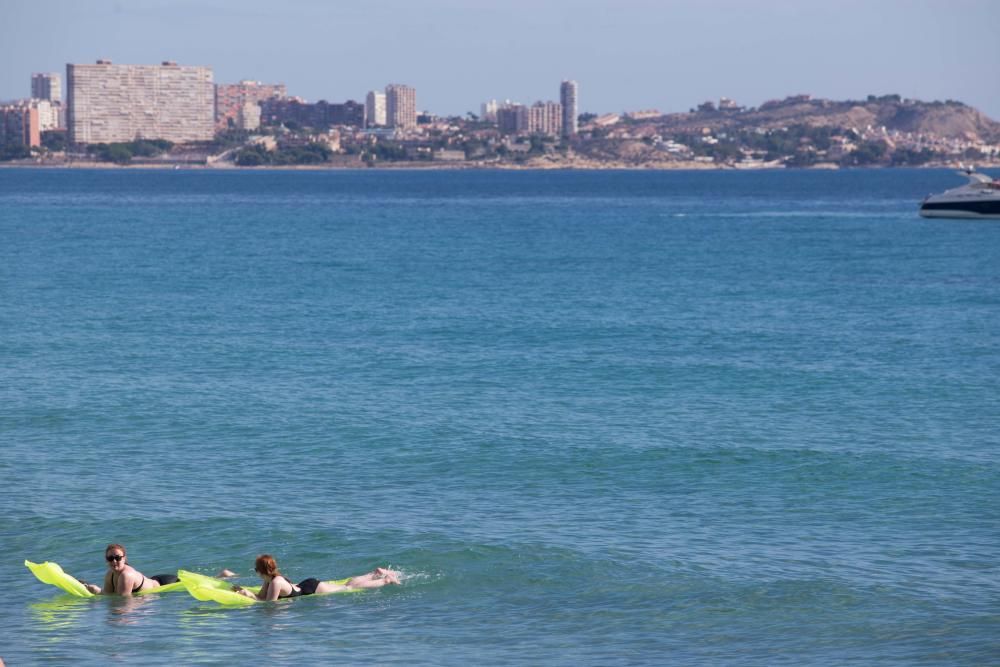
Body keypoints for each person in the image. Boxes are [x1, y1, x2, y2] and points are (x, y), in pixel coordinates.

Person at [231, 554, 400, 601]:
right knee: (348, 583)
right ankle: (374, 573)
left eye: (255, 569)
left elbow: (269, 605)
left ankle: (385, 580)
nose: (255, 572)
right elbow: (262, 597)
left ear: (262, 571)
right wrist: (245, 591)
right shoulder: (270, 580)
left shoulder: (275, 582)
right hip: (307, 585)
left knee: (350, 587)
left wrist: (249, 596)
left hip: (311, 589)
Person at [81, 543, 179, 596]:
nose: (114, 561)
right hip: (153, 580)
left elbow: (123, 602)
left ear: (124, 558)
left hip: (166, 583)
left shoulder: (126, 575)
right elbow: (108, 595)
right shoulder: (109, 574)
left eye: (118, 558)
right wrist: (94, 590)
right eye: (110, 558)